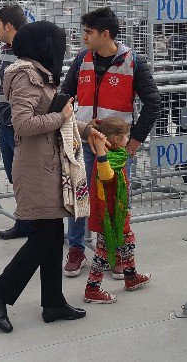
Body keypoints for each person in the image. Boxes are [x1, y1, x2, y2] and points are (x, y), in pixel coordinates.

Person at [0, 21, 85, 333]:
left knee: (50, 237)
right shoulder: (26, 75)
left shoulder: (40, 73)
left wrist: (87, 129)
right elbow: (23, 123)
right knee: (44, 238)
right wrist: (60, 116)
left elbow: (57, 123)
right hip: (36, 168)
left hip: (48, 164)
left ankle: (53, 302)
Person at [60, 7, 161, 277]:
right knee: (79, 196)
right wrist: (72, 124)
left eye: (89, 32)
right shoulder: (82, 59)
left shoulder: (133, 61)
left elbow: (153, 103)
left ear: (105, 34)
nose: (84, 37)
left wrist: (134, 142)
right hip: (82, 144)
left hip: (115, 150)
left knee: (115, 200)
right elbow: (66, 94)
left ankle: (115, 252)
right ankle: (77, 248)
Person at [82, 116, 152, 304]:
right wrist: (100, 151)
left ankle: (130, 276)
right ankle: (92, 288)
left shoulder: (116, 152)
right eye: (126, 136)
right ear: (114, 139)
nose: (128, 139)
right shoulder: (105, 156)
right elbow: (106, 176)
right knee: (104, 251)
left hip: (118, 211)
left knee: (127, 240)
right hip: (109, 215)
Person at [0, 4, 30, 240]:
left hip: (19, 126)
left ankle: (30, 223)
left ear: (8, 25)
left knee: (24, 176)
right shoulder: (6, 50)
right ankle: (24, 220)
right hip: (4, 124)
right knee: (13, 176)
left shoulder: (27, 51)